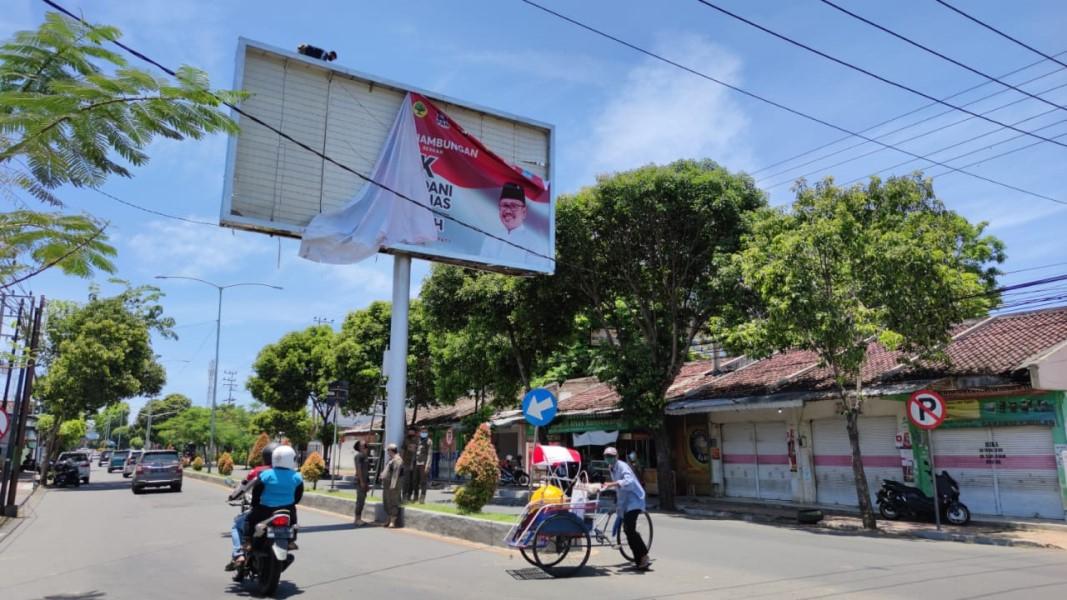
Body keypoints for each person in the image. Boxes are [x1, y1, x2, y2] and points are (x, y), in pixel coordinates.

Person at [227, 445, 304, 570]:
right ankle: (290, 541)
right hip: (287, 510)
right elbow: (298, 497)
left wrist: (255, 505)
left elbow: (257, 492)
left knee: (249, 520)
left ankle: (247, 542)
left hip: (264, 510)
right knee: (293, 522)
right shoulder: (297, 477)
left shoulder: (265, 474)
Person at [226, 442, 278, 570]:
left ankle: (239, 555)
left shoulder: (258, 471)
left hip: (261, 510)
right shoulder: (290, 473)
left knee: (237, 525)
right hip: (284, 510)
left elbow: (243, 487)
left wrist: (232, 497)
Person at [479, 183, 550, 270]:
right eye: (504, 205)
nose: (508, 210)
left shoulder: (534, 242)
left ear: (524, 212)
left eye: (514, 206)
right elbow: (482, 270)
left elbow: (535, 272)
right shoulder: (491, 239)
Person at [601, 446, 650, 570]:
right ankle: (639, 560)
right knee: (627, 530)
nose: (609, 459)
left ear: (616, 457)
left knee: (629, 529)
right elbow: (619, 487)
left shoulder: (622, 466)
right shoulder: (611, 468)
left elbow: (629, 482)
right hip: (625, 502)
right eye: (607, 457)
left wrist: (612, 484)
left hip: (634, 500)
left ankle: (644, 555)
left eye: (611, 456)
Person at [381, 443, 404, 528]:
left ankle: (393, 521)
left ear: (391, 450)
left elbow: (396, 474)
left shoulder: (397, 459)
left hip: (393, 485)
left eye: (388, 450)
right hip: (387, 484)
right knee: (387, 501)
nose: (387, 452)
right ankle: (388, 518)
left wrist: (393, 485)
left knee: (393, 501)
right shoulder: (391, 459)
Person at [413, 427, 432, 503]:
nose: (423, 433)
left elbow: (430, 454)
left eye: (425, 431)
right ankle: (415, 496)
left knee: (423, 481)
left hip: (423, 464)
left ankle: (422, 498)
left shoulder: (429, 441)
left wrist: (428, 465)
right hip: (416, 463)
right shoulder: (417, 440)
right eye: (422, 431)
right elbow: (414, 452)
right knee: (415, 481)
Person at [352, 440, 369, 526]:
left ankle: (359, 518)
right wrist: (362, 481)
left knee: (362, 500)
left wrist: (367, 483)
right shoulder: (358, 456)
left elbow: (366, 471)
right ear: (359, 447)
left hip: (364, 481)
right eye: (363, 444)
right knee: (360, 500)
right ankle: (357, 519)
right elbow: (358, 469)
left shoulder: (365, 456)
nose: (365, 444)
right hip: (360, 481)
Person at [402, 428, 419, 501]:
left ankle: (412, 495)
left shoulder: (417, 441)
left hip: (415, 463)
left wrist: (412, 464)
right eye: (410, 433)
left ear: (415, 433)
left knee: (414, 480)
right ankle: (405, 495)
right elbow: (402, 450)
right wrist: (401, 461)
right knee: (406, 480)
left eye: (412, 433)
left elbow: (416, 452)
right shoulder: (405, 440)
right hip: (406, 462)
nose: (411, 434)